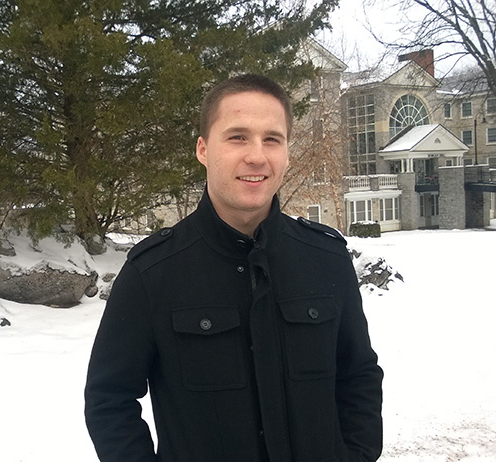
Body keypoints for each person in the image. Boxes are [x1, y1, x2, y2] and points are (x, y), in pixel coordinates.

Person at [84, 74, 383, 461]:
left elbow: (358, 375)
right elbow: (110, 399)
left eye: (271, 139)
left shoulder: (325, 259)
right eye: (238, 136)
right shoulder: (153, 272)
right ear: (203, 149)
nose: (257, 155)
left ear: (287, 153)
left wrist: (356, 455)